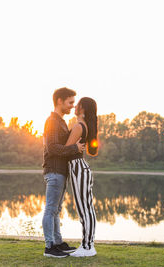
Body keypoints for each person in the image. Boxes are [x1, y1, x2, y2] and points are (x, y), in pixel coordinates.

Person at [42, 87, 86, 258]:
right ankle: (49, 247)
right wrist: (74, 147)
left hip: (60, 172)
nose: (72, 106)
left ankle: (57, 243)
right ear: (59, 101)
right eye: (70, 103)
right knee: (50, 209)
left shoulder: (60, 121)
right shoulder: (52, 121)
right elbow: (52, 148)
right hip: (54, 171)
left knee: (56, 210)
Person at [65, 97, 98, 257]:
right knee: (86, 208)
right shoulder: (81, 125)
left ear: (83, 108)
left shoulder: (79, 126)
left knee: (85, 209)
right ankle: (87, 244)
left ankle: (87, 247)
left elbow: (65, 149)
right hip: (78, 167)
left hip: (78, 167)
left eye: (77, 104)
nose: (75, 106)